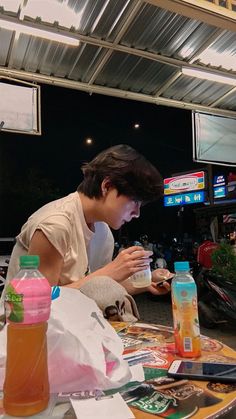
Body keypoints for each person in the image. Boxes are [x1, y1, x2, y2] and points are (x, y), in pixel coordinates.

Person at [4, 145, 172, 320]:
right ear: (107, 186)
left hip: (74, 327)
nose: (137, 213)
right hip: (24, 330)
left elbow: (94, 288)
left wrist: (146, 282)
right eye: (135, 201)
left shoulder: (102, 230)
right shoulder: (55, 224)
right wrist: (109, 271)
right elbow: (37, 302)